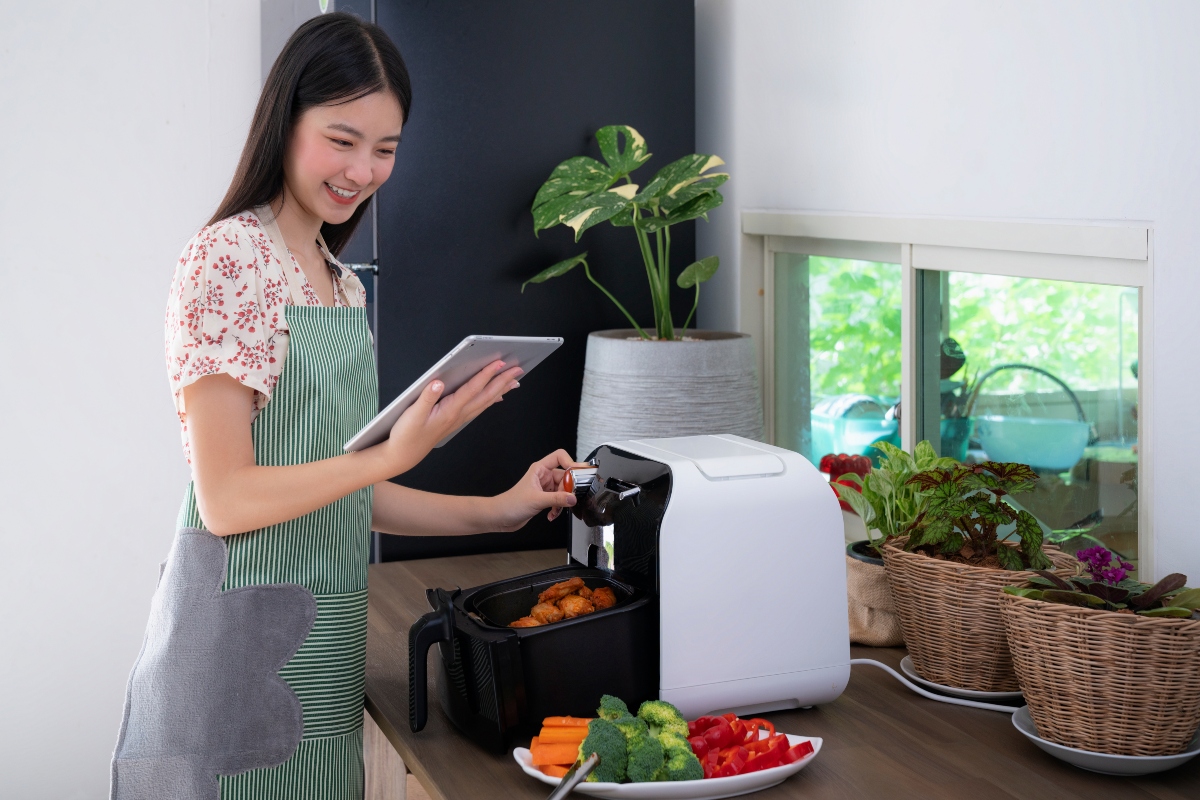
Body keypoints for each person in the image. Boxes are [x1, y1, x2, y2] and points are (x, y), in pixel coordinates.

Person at [111, 13, 581, 800]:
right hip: (232, 675)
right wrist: (397, 450)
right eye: (342, 138)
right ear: (285, 120)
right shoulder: (229, 259)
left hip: (322, 667)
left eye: (387, 148)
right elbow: (227, 499)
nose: (363, 169)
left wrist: (498, 511)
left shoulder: (340, 281)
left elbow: (340, 498)